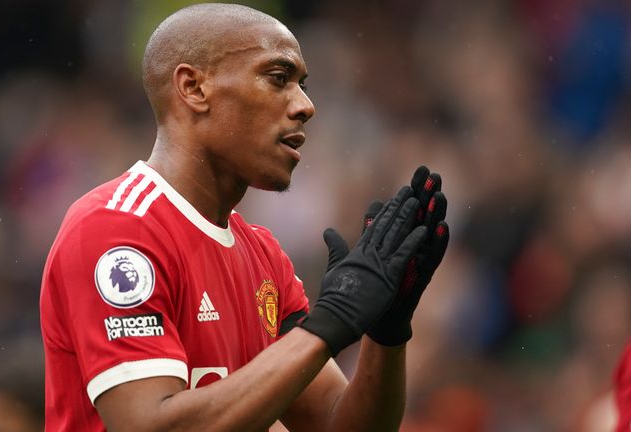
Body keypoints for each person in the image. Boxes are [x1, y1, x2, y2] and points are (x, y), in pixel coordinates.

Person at [39, 3, 449, 431]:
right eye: (278, 78)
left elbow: (338, 425)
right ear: (194, 88)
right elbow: (150, 425)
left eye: (302, 85)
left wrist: (387, 332)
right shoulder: (117, 228)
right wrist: (329, 324)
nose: (306, 106)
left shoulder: (264, 255)